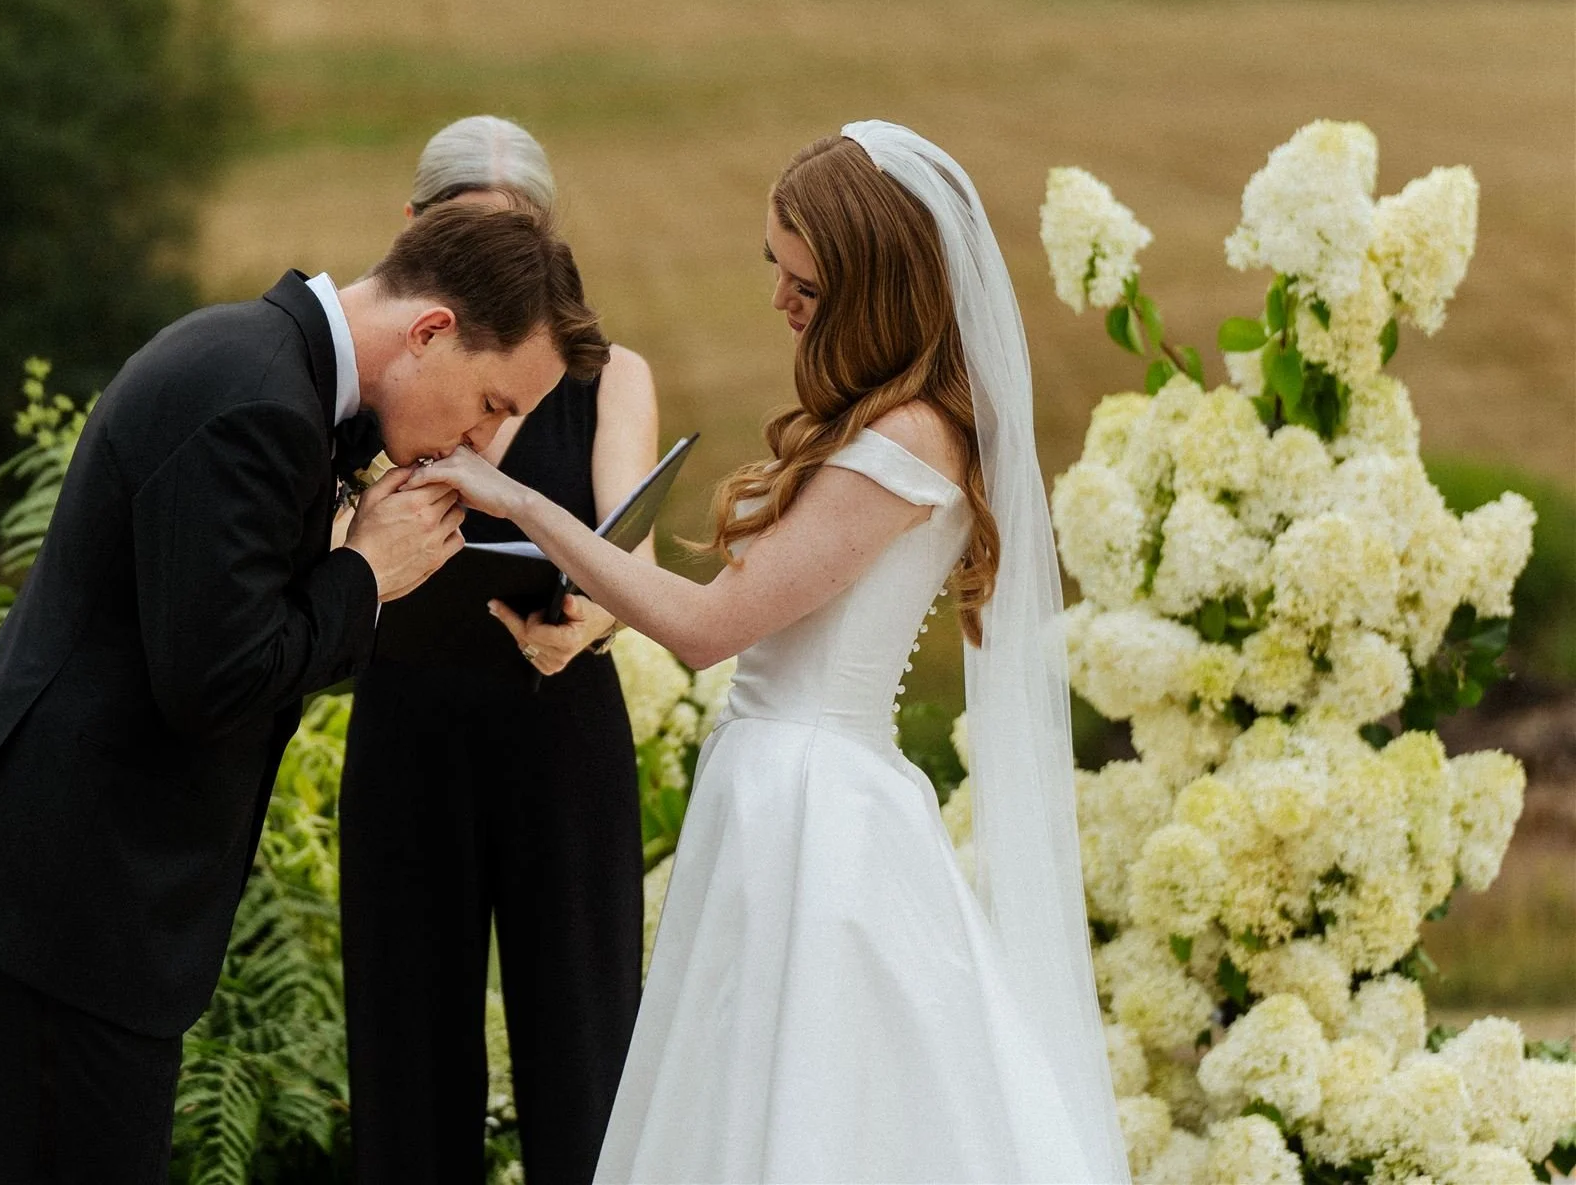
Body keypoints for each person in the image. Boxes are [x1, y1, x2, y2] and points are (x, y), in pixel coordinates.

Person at [412, 122, 1132, 1182]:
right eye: (773, 270)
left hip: (816, 810)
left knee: (812, 1111)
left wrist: (515, 500)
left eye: (805, 282)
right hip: (774, 791)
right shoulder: (874, 425)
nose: (781, 301)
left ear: (873, 285)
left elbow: (706, 629)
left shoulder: (911, 439)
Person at [0, 201, 610, 1184]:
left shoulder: (272, 375)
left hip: (90, 885)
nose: (482, 443)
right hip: (70, 884)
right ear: (430, 332)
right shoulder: (254, 396)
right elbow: (214, 679)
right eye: (490, 403)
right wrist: (363, 575)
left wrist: (361, 563)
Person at [339, 116, 661, 1185]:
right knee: (405, 1055)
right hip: (406, 730)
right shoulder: (372, 377)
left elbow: (635, 554)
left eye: (514, 244)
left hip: (558, 734)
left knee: (585, 1050)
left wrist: (588, 622)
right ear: (413, 240)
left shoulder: (608, 378)